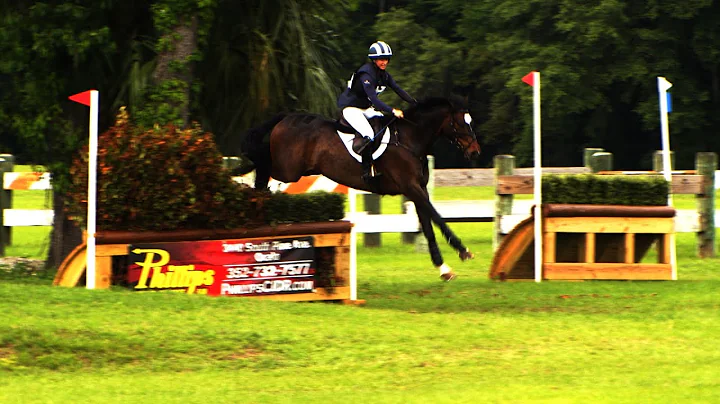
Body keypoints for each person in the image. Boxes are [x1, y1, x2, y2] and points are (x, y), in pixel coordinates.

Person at [337, 41, 416, 181]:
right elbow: (374, 100)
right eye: (381, 59)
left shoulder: (384, 75)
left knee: (385, 125)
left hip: (365, 108)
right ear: (373, 60)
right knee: (369, 134)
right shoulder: (366, 75)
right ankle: (367, 172)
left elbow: (399, 90)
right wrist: (392, 110)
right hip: (351, 108)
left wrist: (416, 104)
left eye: (386, 59)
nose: (384, 62)